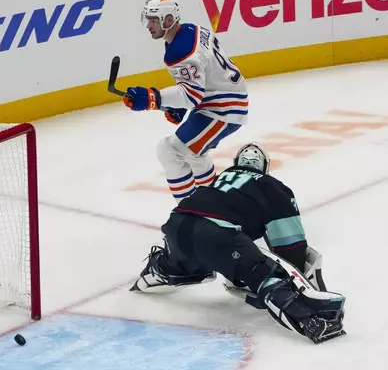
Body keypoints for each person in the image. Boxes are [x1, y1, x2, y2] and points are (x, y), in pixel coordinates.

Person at [130, 143, 346, 344]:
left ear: (236, 163)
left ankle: (155, 271)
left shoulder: (221, 180)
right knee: (265, 274)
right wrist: (287, 275)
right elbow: (290, 247)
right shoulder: (272, 186)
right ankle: (312, 321)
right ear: (265, 167)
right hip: (216, 236)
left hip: (176, 225)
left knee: (181, 263)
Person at [122, 0, 248, 202]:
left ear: (169, 20)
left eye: (153, 19)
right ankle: (212, 208)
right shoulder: (191, 30)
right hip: (223, 99)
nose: (148, 25)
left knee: (169, 150)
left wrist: (152, 98)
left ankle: (189, 211)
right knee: (192, 153)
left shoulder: (180, 50)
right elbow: (200, 80)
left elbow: (191, 96)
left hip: (223, 108)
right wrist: (178, 105)